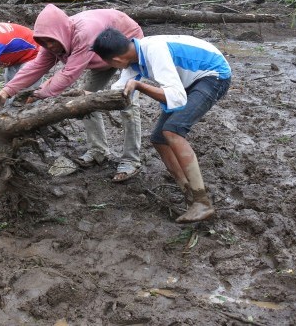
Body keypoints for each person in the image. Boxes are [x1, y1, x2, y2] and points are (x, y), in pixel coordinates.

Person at [0, 4, 144, 182]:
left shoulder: (83, 34)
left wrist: (38, 94)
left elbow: (69, 74)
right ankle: (98, 150)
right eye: (44, 41)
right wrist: (5, 92)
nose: (49, 45)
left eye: (51, 41)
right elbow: (36, 67)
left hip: (126, 48)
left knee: (127, 100)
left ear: (61, 31)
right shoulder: (51, 41)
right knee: (86, 101)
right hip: (100, 59)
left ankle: (131, 160)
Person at [91, 28, 232, 223]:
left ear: (115, 61)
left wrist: (140, 86)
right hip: (190, 81)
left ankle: (202, 202)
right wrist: (88, 98)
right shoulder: (133, 60)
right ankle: (188, 191)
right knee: (158, 138)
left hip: (214, 75)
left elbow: (175, 96)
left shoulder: (154, 51)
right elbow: (118, 91)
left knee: (172, 131)